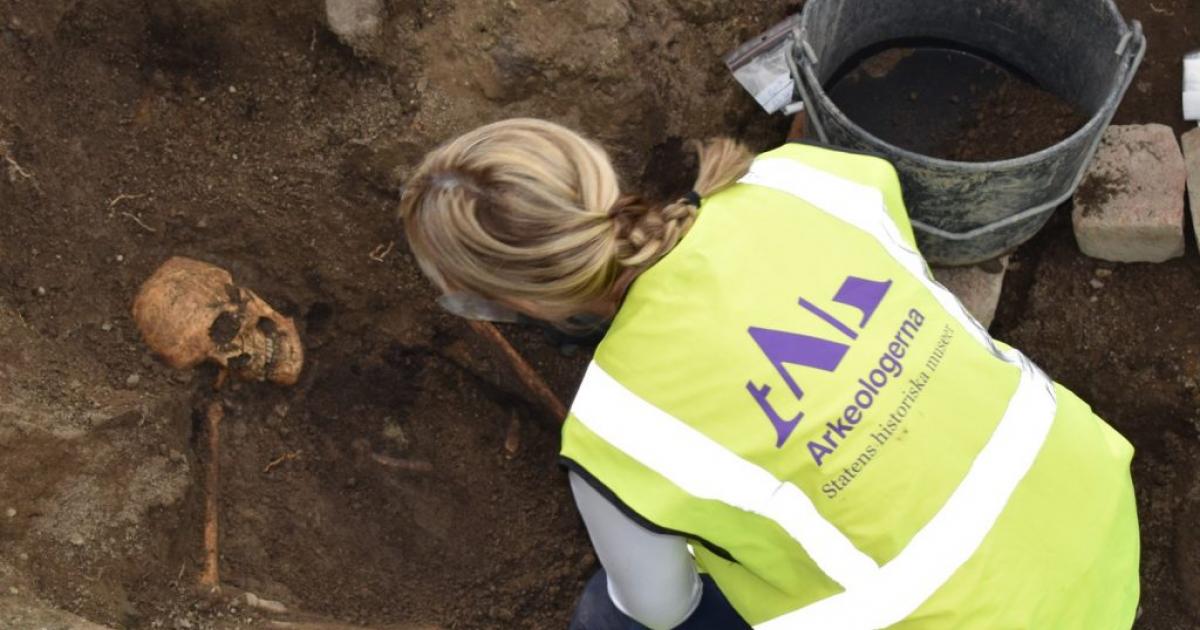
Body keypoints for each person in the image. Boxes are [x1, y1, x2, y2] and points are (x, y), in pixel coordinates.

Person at [397, 118, 1140, 629]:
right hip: (1097, 524)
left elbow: (662, 608)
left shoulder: (616, 434)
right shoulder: (809, 180)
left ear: (509, 303)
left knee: (610, 612)